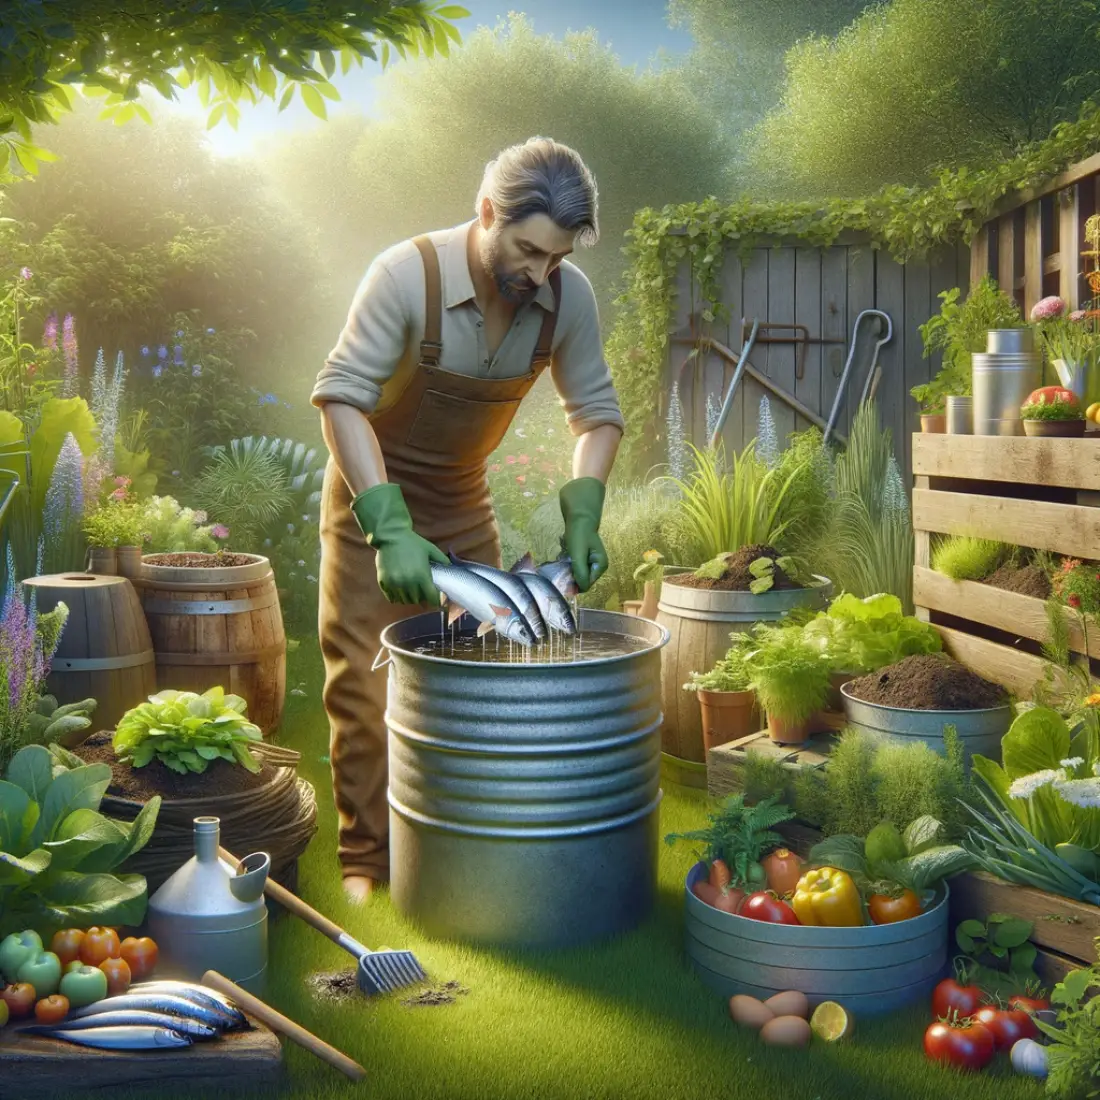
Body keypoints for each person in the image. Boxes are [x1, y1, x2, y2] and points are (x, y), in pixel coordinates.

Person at [311, 136, 626, 902]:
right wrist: (386, 524)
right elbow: (342, 397)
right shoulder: (404, 276)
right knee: (363, 687)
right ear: (486, 212)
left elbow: (597, 414)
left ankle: (458, 845)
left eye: (554, 258)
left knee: (483, 678)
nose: (540, 273)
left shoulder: (565, 297)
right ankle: (365, 861)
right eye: (527, 250)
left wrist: (584, 512)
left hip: (462, 498)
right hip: (371, 497)